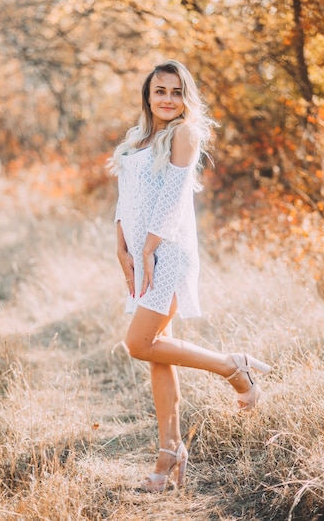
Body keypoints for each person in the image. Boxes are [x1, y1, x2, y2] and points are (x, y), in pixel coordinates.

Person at [108, 60, 271, 493]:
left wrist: (148, 248)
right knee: (158, 353)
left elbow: (174, 198)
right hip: (141, 255)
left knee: (138, 343)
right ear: (148, 95)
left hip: (168, 253)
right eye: (160, 91)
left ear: (187, 97)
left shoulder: (184, 133)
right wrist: (121, 245)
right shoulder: (137, 139)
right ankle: (170, 454)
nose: (167, 99)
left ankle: (233, 367)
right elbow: (127, 198)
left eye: (177, 92)